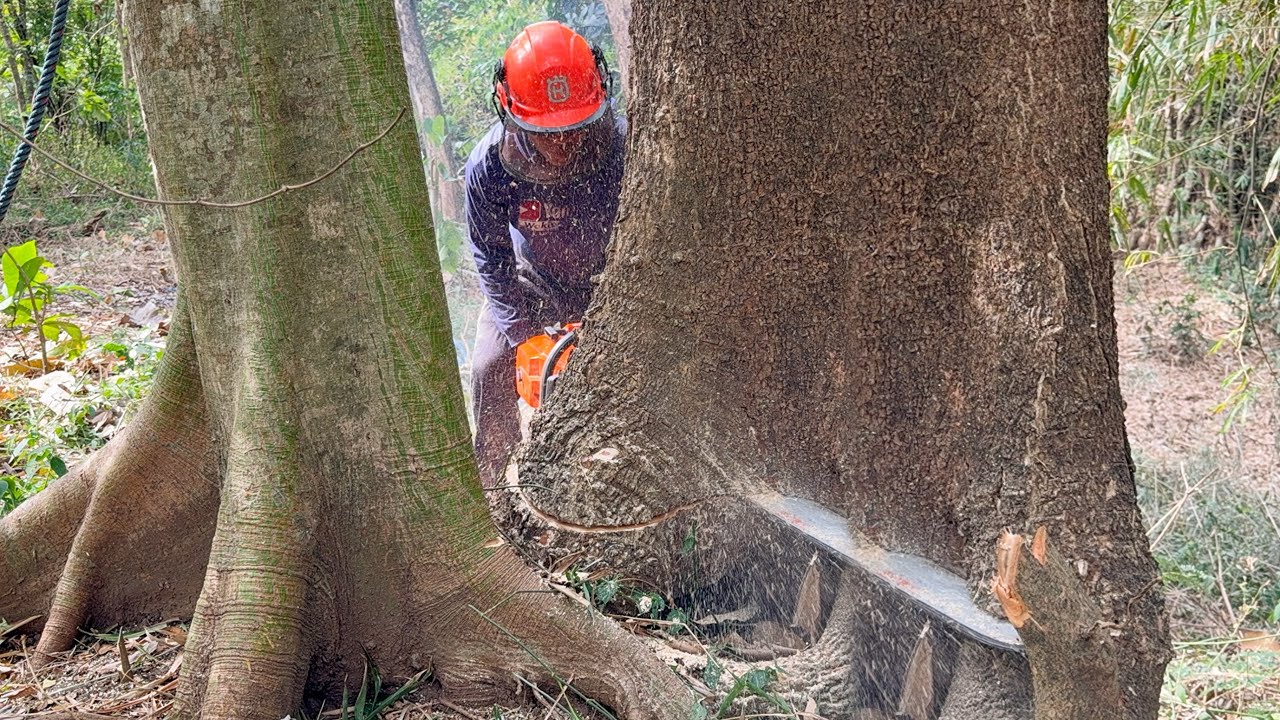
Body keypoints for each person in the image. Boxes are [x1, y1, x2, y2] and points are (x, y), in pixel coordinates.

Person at [464, 20, 625, 487]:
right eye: (547, 131)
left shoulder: (622, 145)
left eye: (574, 127)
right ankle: (494, 488)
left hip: (611, 279)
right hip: (529, 283)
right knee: (488, 367)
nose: (563, 141)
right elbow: (490, 256)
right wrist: (523, 333)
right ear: (513, 115)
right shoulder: (490, 167)